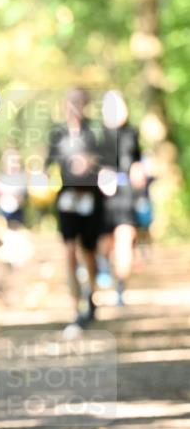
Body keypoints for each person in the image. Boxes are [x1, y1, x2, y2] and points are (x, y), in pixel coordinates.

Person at [45, 87, 102, 329]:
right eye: (70, 101)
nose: (73, 106)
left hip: (91, 197)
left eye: (78, 101)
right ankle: (75, 306)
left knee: (88, 252)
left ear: (85, 103)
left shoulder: (95, 132)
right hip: (67, 198)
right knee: (69, 252)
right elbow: (46, 163)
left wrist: (92, 162)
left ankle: (91, 296)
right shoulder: (57, 134)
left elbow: (109, 161)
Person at [97, 90, 146, 306]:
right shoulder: (99, 134)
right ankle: (104, 268)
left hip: (126, 193)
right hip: (104, 194)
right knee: (106, 241)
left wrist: (141, 189)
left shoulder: (131, 132)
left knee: (125, 238)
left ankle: (120, 287)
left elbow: (137, 163)